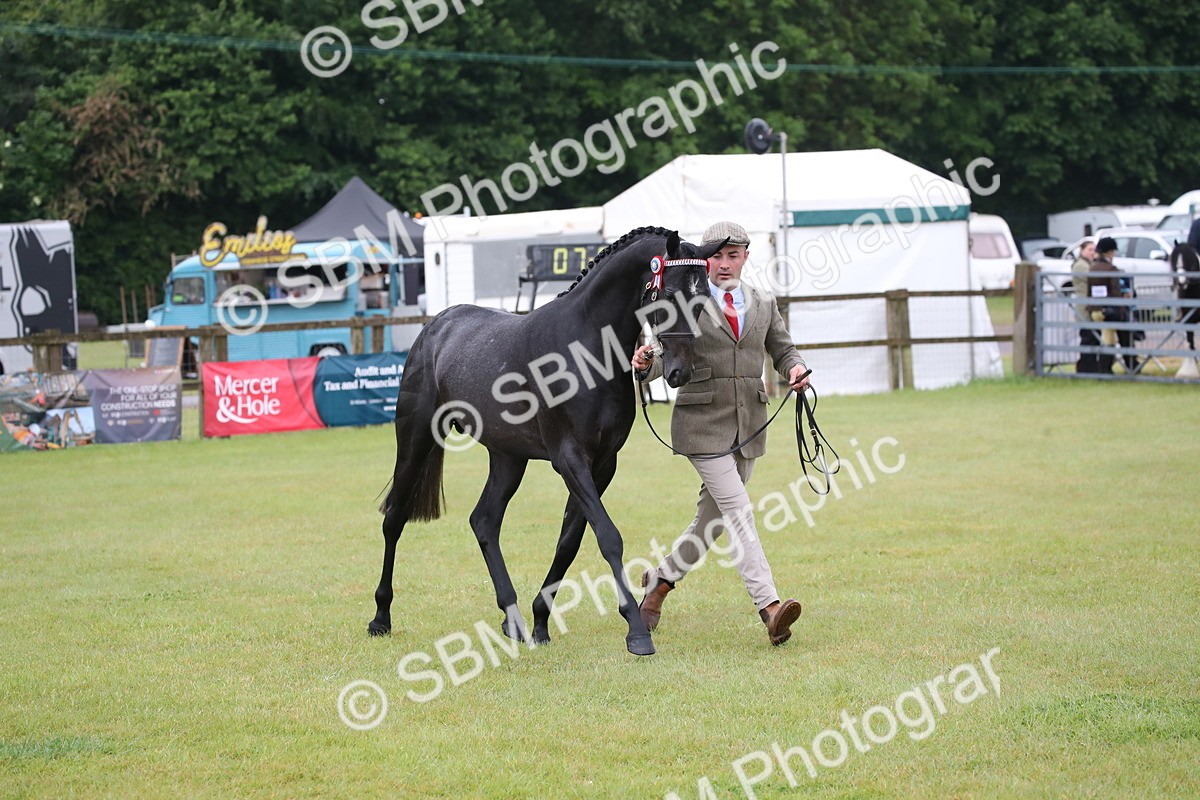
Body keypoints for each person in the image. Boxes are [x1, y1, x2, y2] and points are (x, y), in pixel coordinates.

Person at [631, 221, 811, 646]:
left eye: (733, 255)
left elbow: (783, 349)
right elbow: (665, 355)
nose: (724, 264)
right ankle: (769, 607)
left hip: (749, 425)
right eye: (716, 256)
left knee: (710, 523)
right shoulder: (686, 302)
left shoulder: (763, 302)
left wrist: (796, 369)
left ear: (746, 256)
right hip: (701, 425)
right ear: (704, 259)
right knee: (739, 510)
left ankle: (659, 584)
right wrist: (645, 365)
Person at [1087, 236, 1135, 373]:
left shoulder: (1092, 268)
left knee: (1108, 337)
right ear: (1108, 252)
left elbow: (1090, 291)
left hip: (1095, 310)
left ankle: (1107, 368)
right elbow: (1115, 291)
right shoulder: (1111, 269)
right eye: (1113, 252)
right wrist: (1121, 305)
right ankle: (1107, 369)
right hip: (1109, 310)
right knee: (1111, 339)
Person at [1071, 240, 1099, 373]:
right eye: (1089, 249)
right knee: (1087, 337)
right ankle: (1084, 367)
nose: (1092, 252)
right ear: (1082, 251)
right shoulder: (1080, 265)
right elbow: (1093, 277)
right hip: (1084, 306)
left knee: (1093, 337)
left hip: (1090, 305)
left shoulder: (1090, 264)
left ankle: (1091, 366)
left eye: (1094, 250)